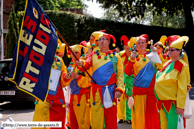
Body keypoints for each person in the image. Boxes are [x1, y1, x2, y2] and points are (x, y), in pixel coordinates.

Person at [76, 32, 124, 129]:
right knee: (96, 118)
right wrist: (82, 63)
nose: (101, 41)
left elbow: (120, 74)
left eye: (104, 39)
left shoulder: (116, 56)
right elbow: (87, 64)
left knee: (110, 118)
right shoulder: (93, 55)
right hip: (96, 92)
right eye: (100, 40)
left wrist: (119, 89)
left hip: (110, 91)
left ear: (108, 42)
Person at [124, 34, 162, 129]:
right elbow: (127, 72)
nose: (141, 44)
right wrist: (131, 60)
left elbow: (162, 67)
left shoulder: (152, 55)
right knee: (139, 117)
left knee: (151, 117)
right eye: (139, 43)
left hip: (151, 92)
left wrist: (156, 53)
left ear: (146, 44)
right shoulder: (133, 57)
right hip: (138, 93)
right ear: (136, 46)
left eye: (143, 42)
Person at [155, 36, 191, 129]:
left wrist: (180, 106)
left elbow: (182, 87)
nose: (169, 52)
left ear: (179, 51)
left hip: (172, 104)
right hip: (162, 101)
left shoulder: (182, 65)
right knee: (163, 126)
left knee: (172, 126)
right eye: (169, 50)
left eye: (172, 50)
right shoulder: (168, 63)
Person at [32, 39, 67, 129]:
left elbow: (63, 79)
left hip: (56, 98)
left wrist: (67, 77)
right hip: (42, 96)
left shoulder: (59, 61)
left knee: (56, 122)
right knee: (40, 122)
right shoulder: (38, 58)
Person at [63, 44, 91, 129]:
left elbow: (89, 81)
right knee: (73, 120)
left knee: (82, 121)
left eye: (76, 53)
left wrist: (77, 77)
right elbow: (66, 81)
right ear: (70, 54)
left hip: (82, 95)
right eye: (73, 53)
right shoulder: (71, 65)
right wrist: (66, 77)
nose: (74, 54)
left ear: (80, 54)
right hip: (72, 95)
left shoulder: (83, 64)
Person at [117, 35, 134, 124]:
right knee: (121, 99)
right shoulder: (120, 55)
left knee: (129, 98)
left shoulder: (134, 55)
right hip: (121, 80)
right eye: (126, 49)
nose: (128, 51)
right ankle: (121, 117)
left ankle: (129, 117)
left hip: (131, 81)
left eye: (129, 49)